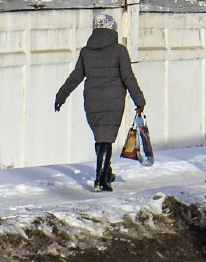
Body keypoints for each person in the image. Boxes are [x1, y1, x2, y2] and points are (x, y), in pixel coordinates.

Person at [55, 13, 147, 192]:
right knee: (106, 138)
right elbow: (128, 77)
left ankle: (106, 173)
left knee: (101, 137)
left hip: (92, 101)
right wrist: (139, 100)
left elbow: (75, 77)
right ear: (113, 29)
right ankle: (100, 181)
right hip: (113, 101)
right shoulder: (119, 50)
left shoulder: (86, 52)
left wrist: (61, 96)